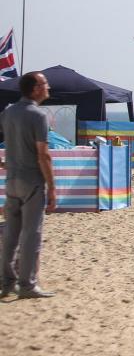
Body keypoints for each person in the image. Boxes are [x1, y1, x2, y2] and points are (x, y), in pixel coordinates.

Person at [0, 71, 57, 299]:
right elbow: (43, 155)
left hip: (12, 180)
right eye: (45, 84)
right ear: (35, 89)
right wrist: (52, 187)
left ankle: (7, 282)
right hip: (32, 181)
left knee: (11, 234)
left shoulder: (9, 112)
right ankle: (27, 284)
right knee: (31, 234)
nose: (48, 87)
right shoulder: (38, 116)